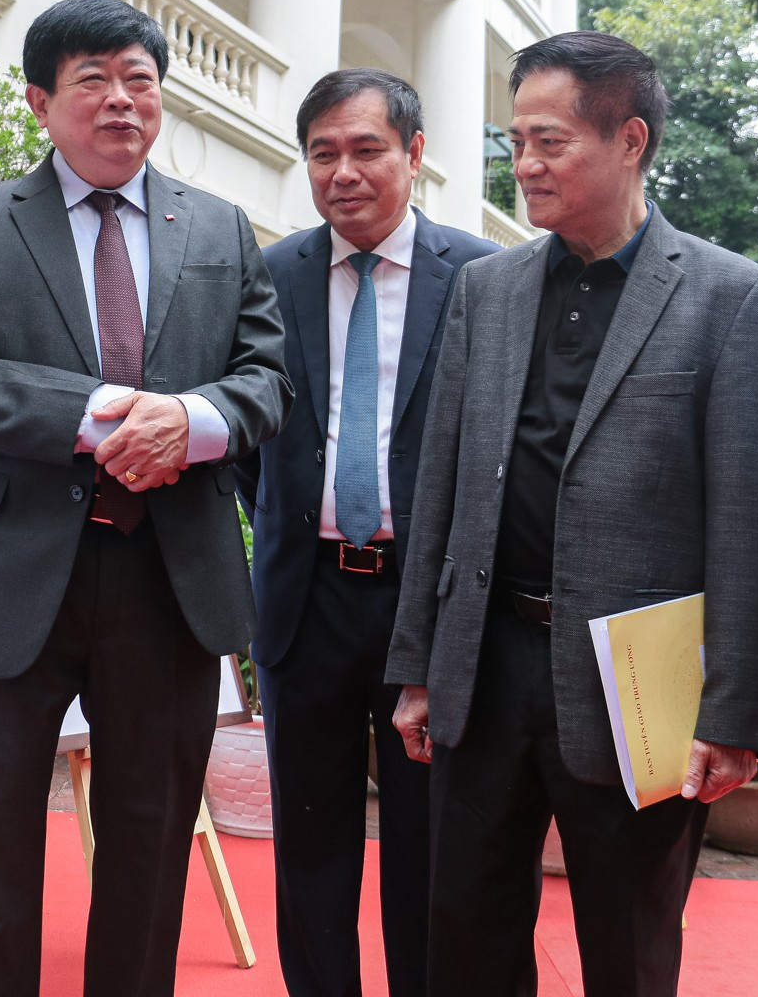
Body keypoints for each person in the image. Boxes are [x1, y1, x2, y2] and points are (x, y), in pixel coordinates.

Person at [387, 31, 758, 997]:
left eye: (550, 141)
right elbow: (439, 490)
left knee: (631, 945)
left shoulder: (730, 299)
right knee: (466, 933)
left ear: (631, 140)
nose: (524, 164)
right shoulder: (485, 290)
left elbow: (754, 524)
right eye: (514, 142)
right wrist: (416, 665)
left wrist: (737, 711)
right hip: (486, 669)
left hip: (636, 687)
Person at [0, 0, 289, 997]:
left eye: (140, 81)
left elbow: (266, 380)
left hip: (170, 581)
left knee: (149, 848)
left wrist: (195, 419)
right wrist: (107, 410)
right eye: (95, 81)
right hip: (16, 575)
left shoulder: (219, 228)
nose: (122, 101)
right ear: (41, 99)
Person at [236, 68, 497, 997]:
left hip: (423, 605)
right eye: (322, 153)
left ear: (415, 155)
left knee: (429, 847)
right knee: (309, 841)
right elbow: (244, 432)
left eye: (366, 150)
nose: (343, 172)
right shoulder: (270, 276)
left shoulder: (479, 280)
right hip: (306, 602)